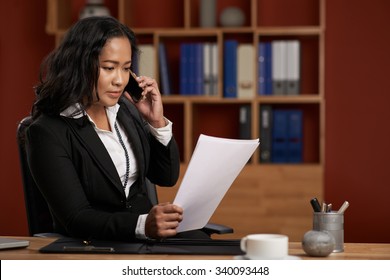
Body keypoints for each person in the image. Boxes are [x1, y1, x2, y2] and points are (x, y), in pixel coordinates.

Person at [25, 16, 185, 242]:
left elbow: (166, 177)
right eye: (109, 68)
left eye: (126, 68)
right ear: (79, 64)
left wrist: (156, 122)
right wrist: (141, 225)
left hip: (148, 241)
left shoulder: (127, 112)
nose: (119, 80)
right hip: (96, 246)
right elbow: (76, 218)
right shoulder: (47, 132)